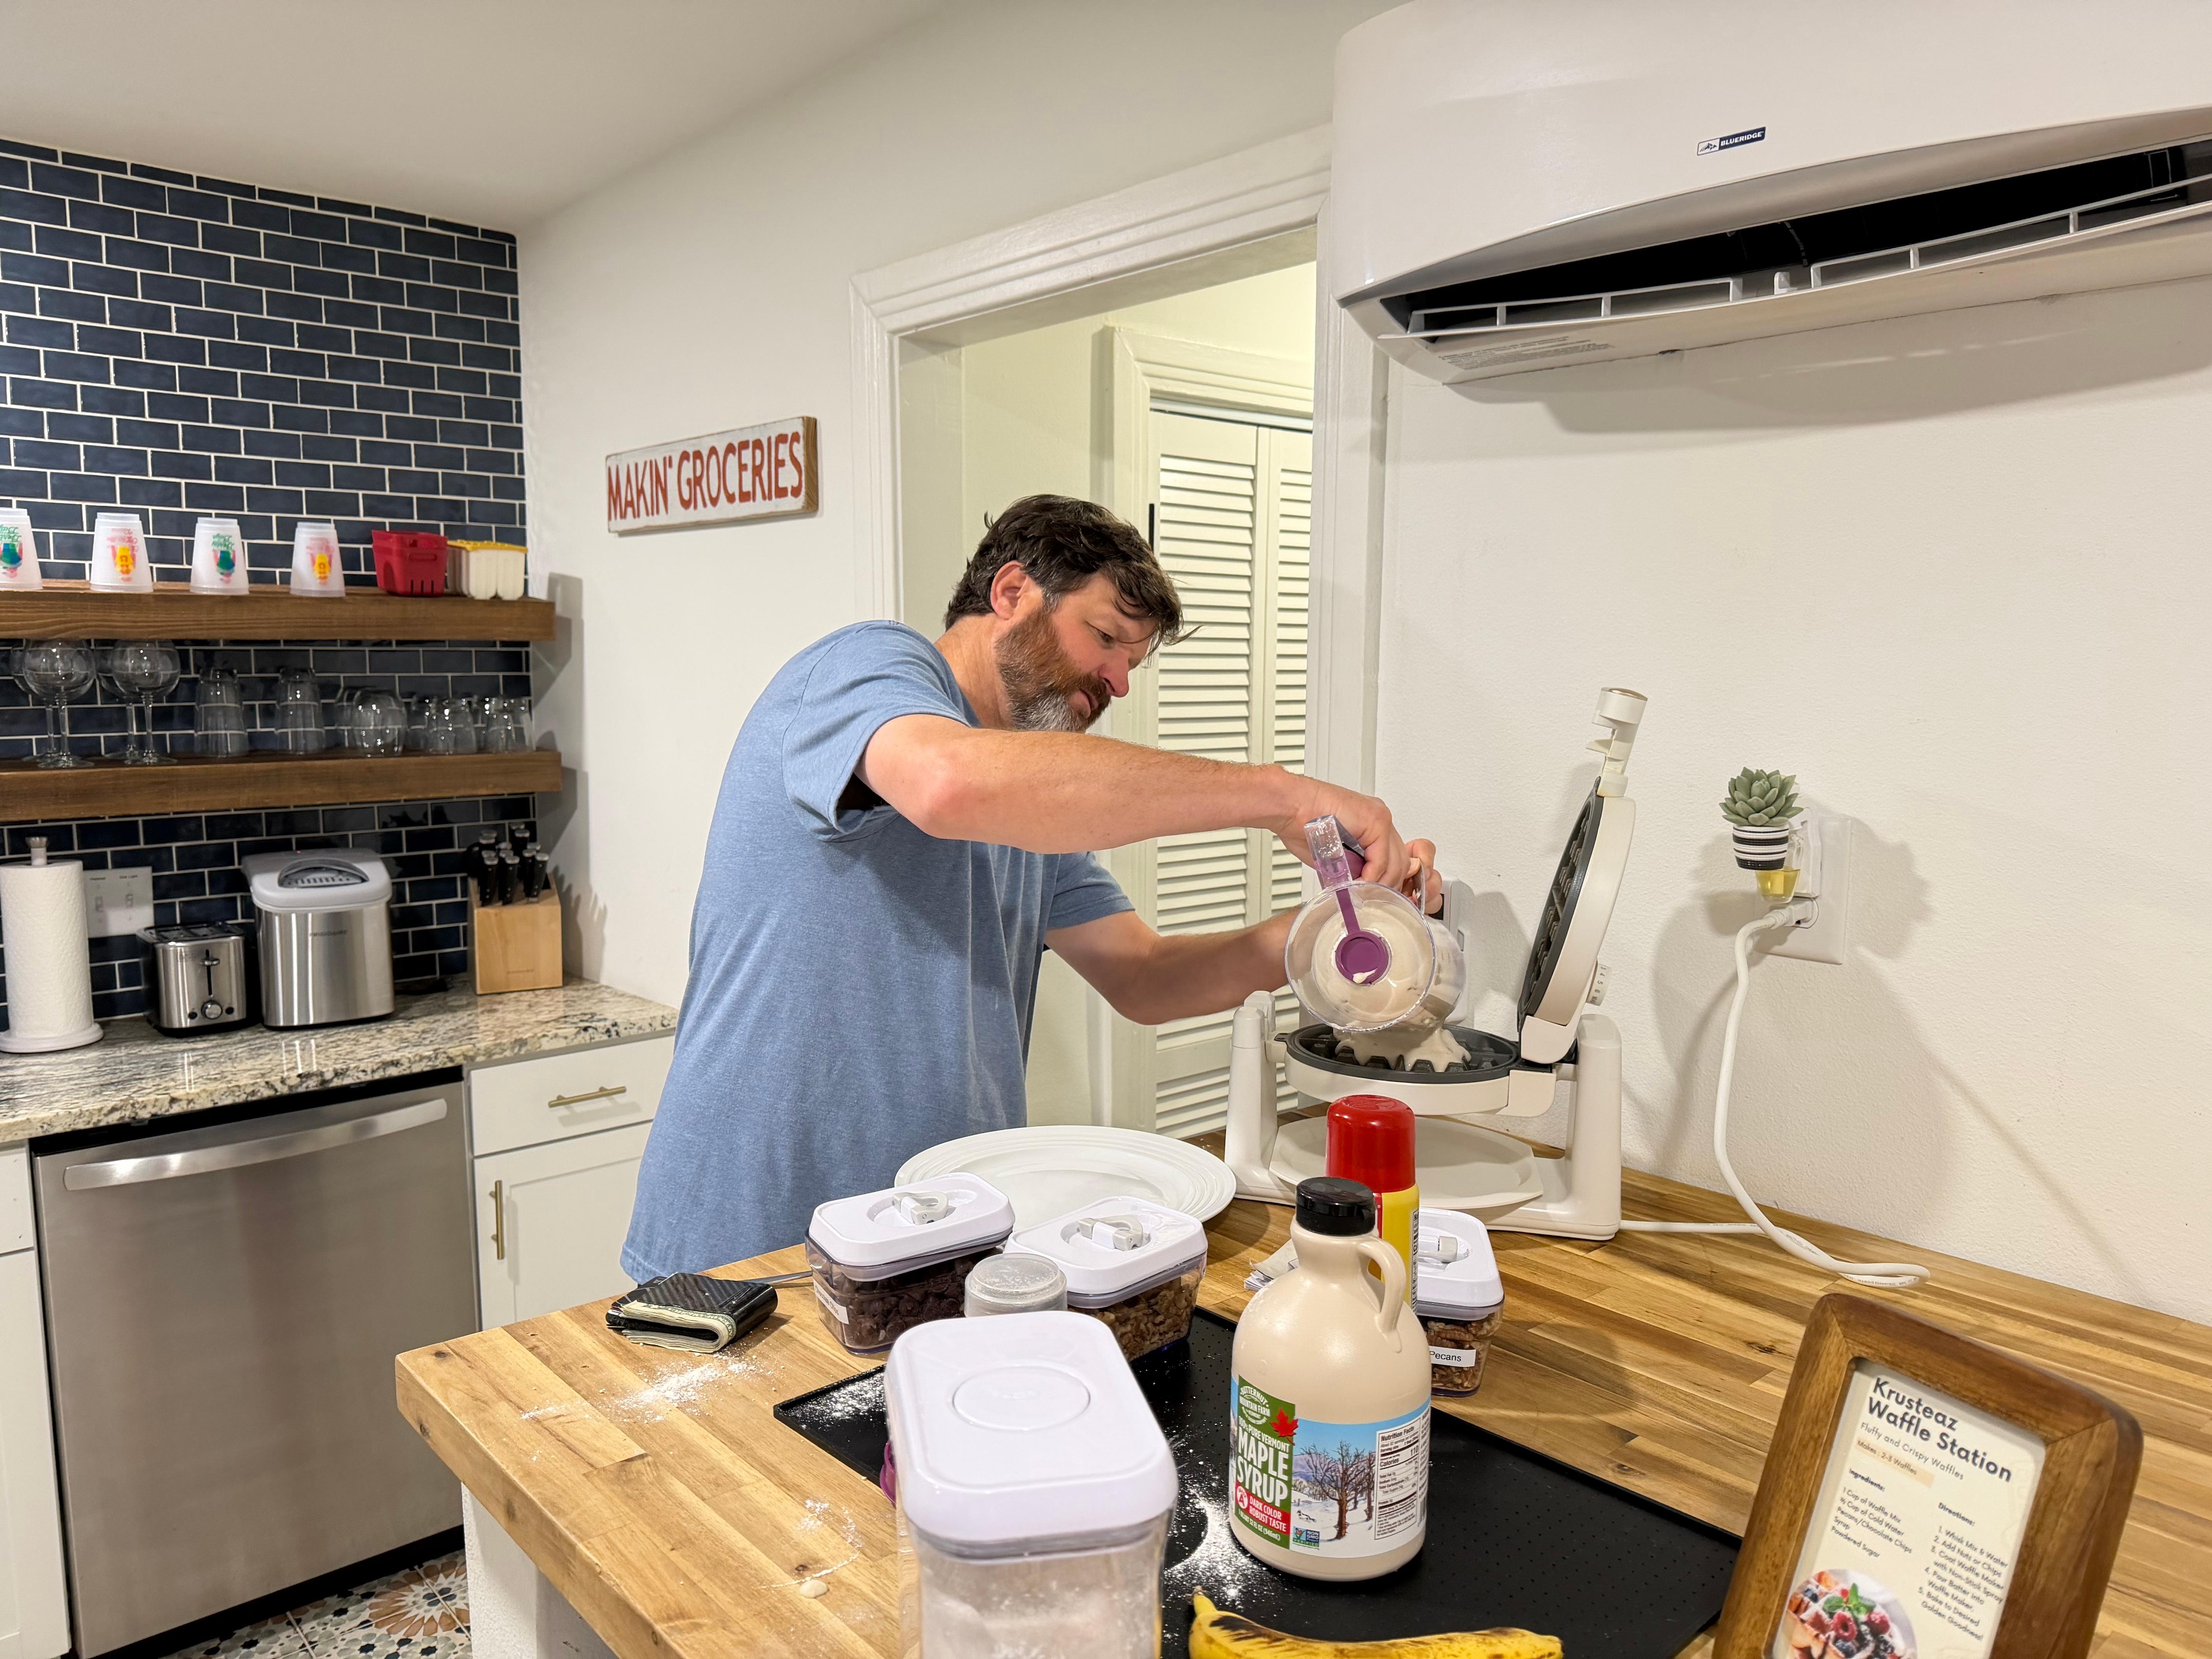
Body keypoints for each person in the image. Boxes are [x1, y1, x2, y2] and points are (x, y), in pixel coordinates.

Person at [621, 494, 1444, 1277]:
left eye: (1133, 661)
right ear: (1012, 592)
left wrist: (1336, 930)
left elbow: (1147, 977)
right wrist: (1282, 796)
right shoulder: (864, 666)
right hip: (750, 1241)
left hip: (925, 1242)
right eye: (1106, 637)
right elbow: (944, 784)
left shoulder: (1029, 809)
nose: (1118, 681)